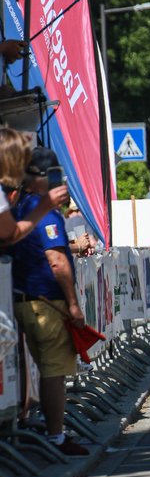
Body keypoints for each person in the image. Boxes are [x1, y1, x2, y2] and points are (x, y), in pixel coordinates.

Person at [10, 147, 88, 455]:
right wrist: (72, 303)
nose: (61, 181)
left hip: (22, 298)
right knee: (54, 370)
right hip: (46, 301)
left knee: (32, 367)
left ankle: (25, 423)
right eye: (56, 174)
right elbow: (56, 260)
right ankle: (56, 436)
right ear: (42, 178)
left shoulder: (17, 206)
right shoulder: (44, 212)